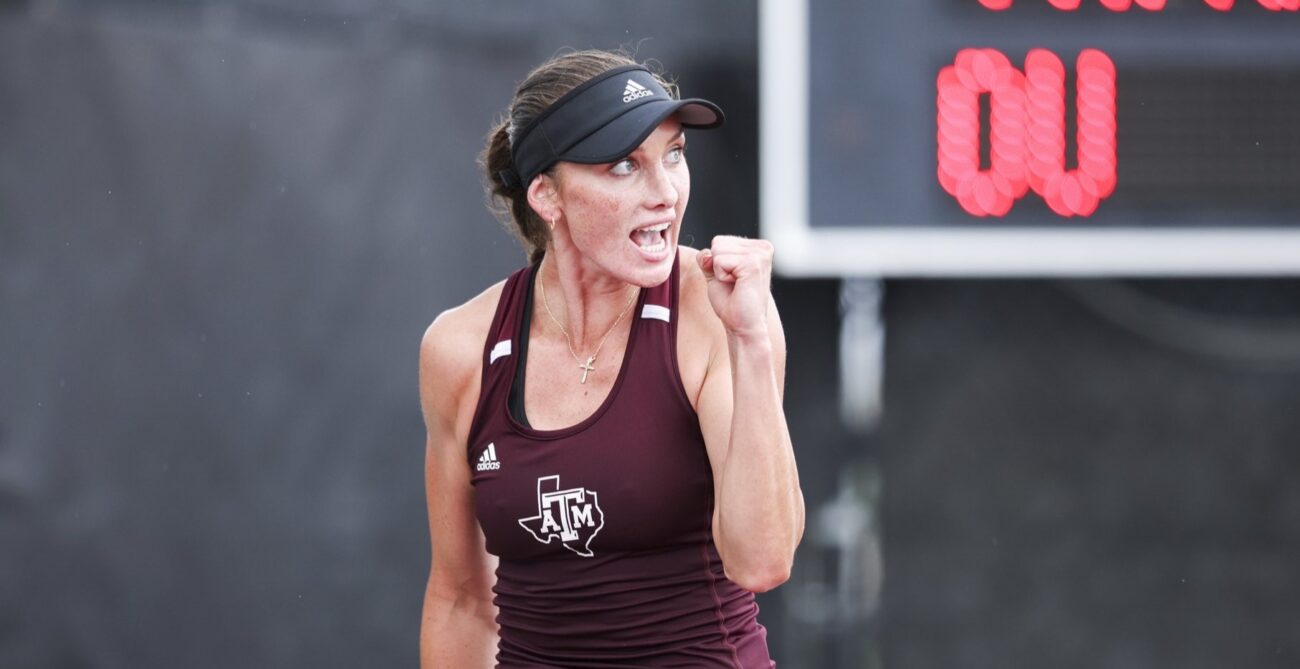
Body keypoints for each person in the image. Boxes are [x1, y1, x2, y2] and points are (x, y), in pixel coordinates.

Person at [418, 49, 804, 668]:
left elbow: (762, 561)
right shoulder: (460, 349)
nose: (665, 194)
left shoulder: (716, 313)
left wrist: (752, 343)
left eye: (673, 155)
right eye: (625, 165)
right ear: (547, 194)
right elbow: (462, 601)